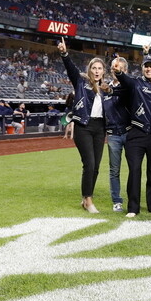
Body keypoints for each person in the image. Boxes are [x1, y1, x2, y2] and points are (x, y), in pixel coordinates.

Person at [112, 52, 151, 218]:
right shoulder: (135, 83)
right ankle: (133, 207)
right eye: (146, 66)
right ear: (142, 68)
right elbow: (125, 80)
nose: (149, 69)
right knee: (134, 170)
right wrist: (119, 72)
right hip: (136, 133)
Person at [58, 38, 107, 214]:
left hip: (100, 128)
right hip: (84, 126)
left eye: (99, 68)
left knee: (96, 167)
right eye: (94, 68)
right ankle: (88, 200)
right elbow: (71, 69)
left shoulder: (107, 89)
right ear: (90, 70)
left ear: (103, 71)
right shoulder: (81, 82)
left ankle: (86, 197)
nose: (96, 71)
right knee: (89, 163)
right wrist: (64, 53)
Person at [104, 56, 131, 213]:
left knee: (133, 168)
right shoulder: (105, 89)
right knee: (114, 170)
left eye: (119, 67)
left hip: (129, 132)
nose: (116, 70)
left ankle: (132, 199)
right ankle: (117, 201)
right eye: (114, 67)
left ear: (125, 71)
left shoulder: (130, 87)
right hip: (113, 134)